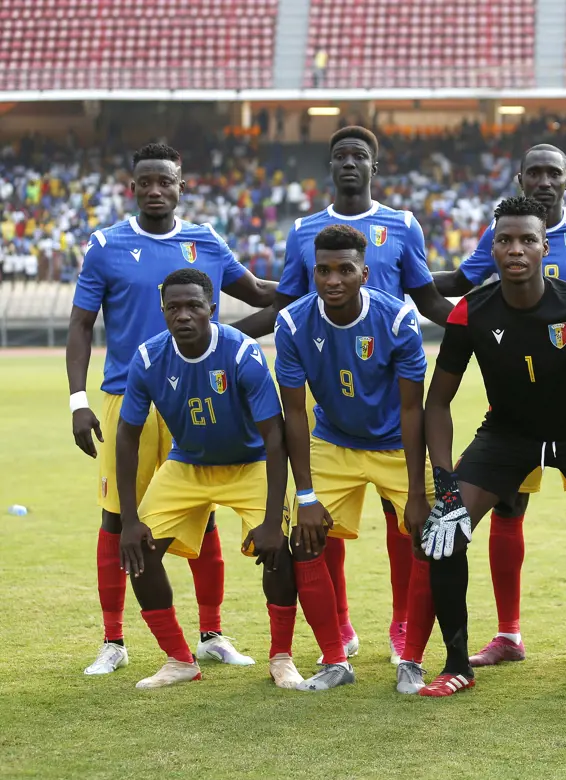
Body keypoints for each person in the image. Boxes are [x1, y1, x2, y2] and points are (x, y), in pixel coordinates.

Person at [420, 197, 566, 700]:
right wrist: (444, 487)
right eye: (504, 240)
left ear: (544, 247)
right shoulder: (471, 313)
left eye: (527, 239)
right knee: (444, 531)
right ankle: (456, 663)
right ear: (492, 248)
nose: (515, 249)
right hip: (506, 435)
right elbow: (436, 404)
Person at [67, 142, 277, 676]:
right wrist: (78, 400)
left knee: (202, 515)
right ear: (132, 188)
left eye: (165, 181)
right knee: (119, 519)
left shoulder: (205, 240)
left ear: (182, 186)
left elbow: (256, 293)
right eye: (145, 182)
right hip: (126, 399)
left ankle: (211, 634)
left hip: (199, 395)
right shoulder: (106, 246)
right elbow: (80, 325)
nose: (155, 190)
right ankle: (114, 641)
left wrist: (319, 288)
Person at [254, 126, 452, 668]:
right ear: (329, 165)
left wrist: (484, 325)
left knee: (405, 524)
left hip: (392, 398)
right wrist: (228, 337)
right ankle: (337, 627)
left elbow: (428, 296)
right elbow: (289, 303)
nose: (349, 163)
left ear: (374, 166)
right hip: (333, 400)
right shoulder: (303, 232)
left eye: (359, 156)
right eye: (339, 155)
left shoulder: (403, 225)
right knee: (321, 523)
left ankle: (402, 625)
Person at [114, 269, 302, 689]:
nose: (183, 315)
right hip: (187, 465)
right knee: (138, 553)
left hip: (249, 462)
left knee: (278, 550)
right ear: (162, 312)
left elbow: (275, 436)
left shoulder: (240, 353)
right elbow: (126, 438)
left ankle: (282, 658)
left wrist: (273, 520)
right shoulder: (148, 358)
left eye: (193, 306)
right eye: (173, 307)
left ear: (212, 309)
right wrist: (129, 518)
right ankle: (179, 660)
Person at [273, 224, 429, 692]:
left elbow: (412, 409)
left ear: (365, 273)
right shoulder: (294, 323)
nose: (332, 279)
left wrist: (419, 492)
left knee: (430, 536)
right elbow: (294, 414)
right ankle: (335, 660)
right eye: (323, 270)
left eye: (345, 270)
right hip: (334, 441)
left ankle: (412, 659)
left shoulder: (398, 319)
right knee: (303, 537)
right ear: (312, 272)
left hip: (396, 444)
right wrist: (303, 495)